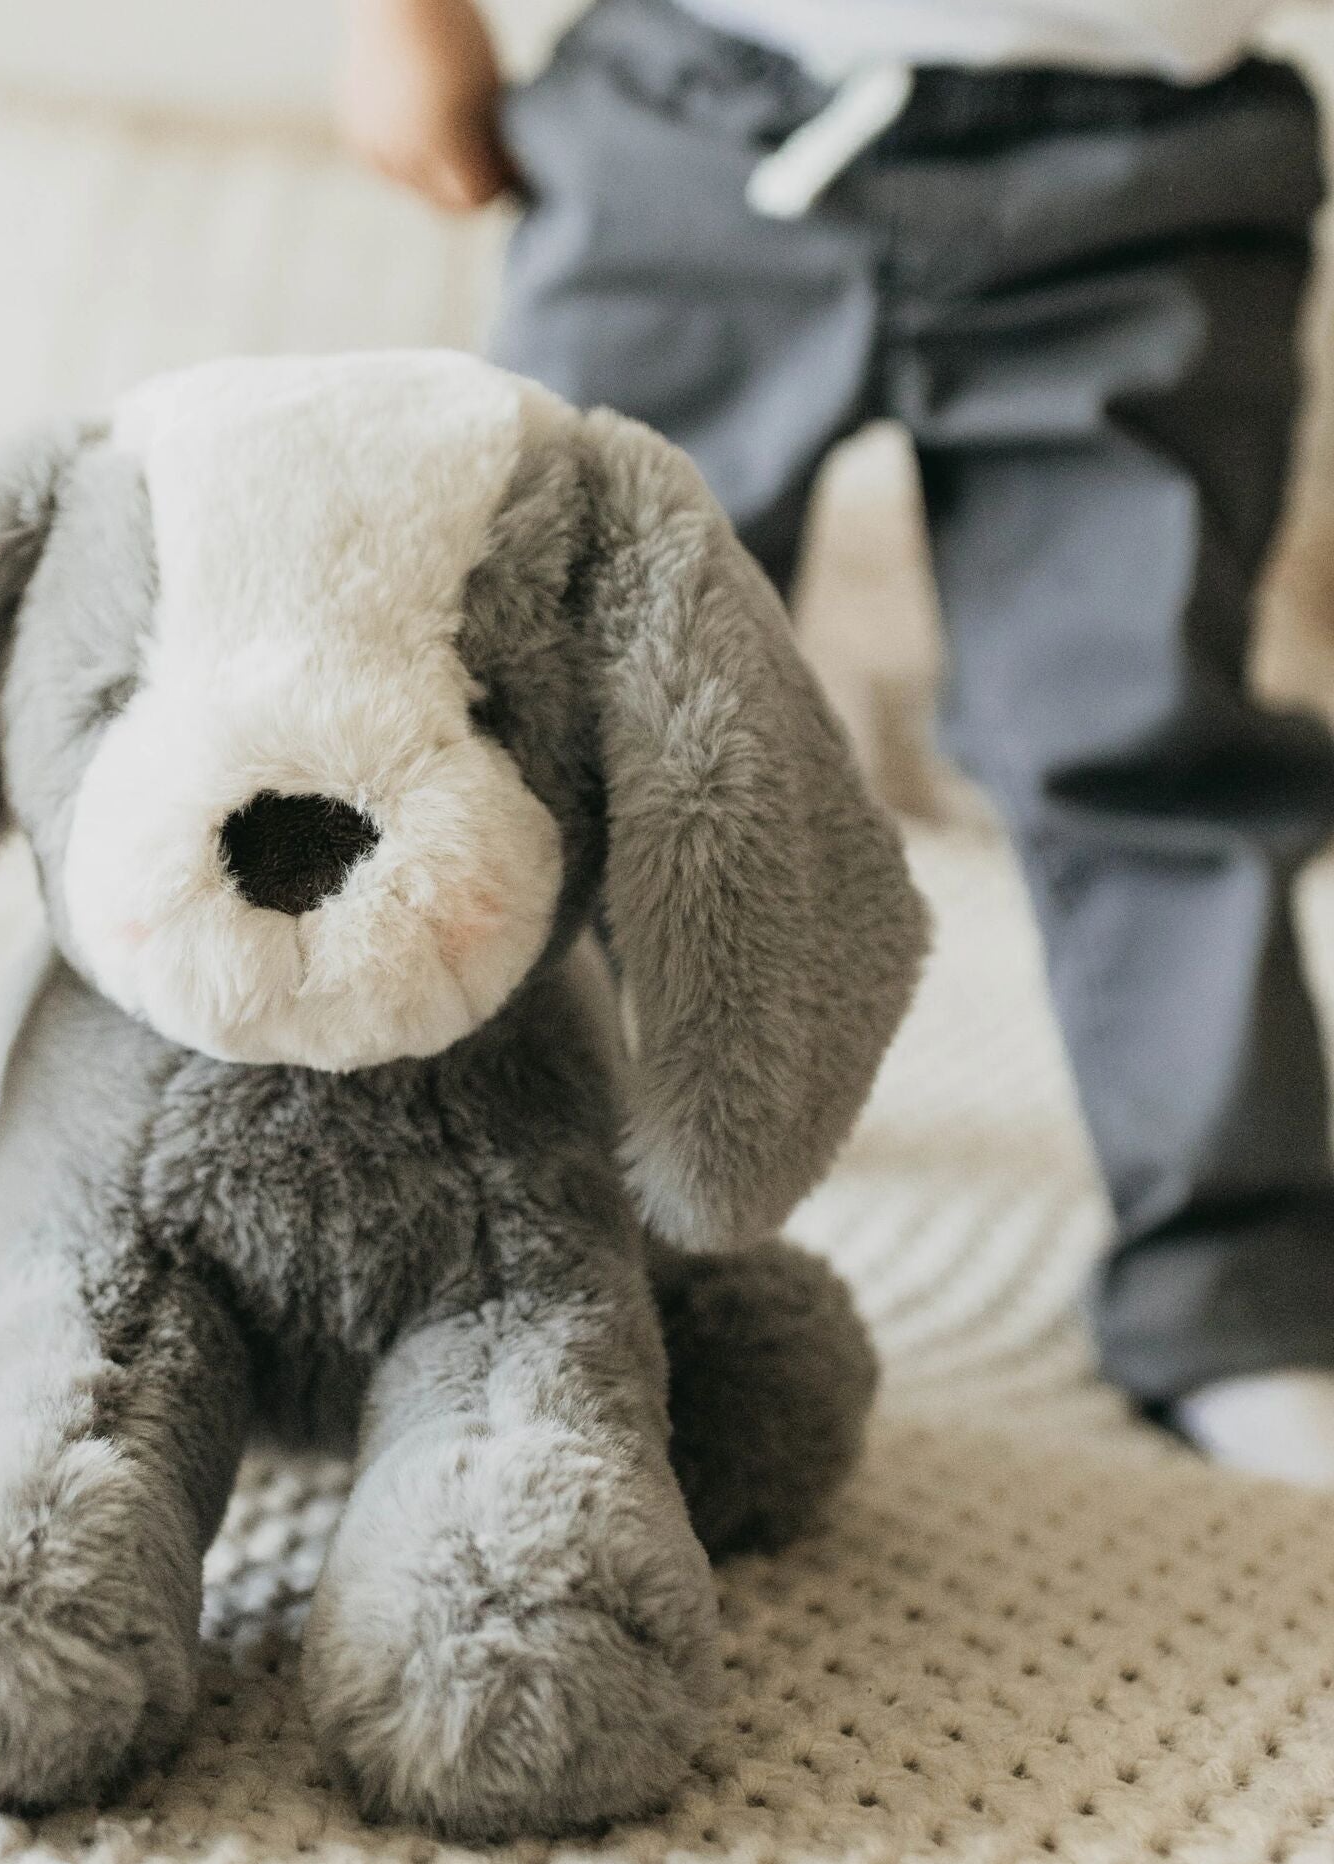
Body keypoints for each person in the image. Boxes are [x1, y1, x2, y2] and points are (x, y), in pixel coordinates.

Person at [338, 0, 1334, 1484]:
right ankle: (483, 1231)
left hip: (1148, 163)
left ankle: (1237, 1281)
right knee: (566, 713)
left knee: (1143, 747)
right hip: (694, 121)